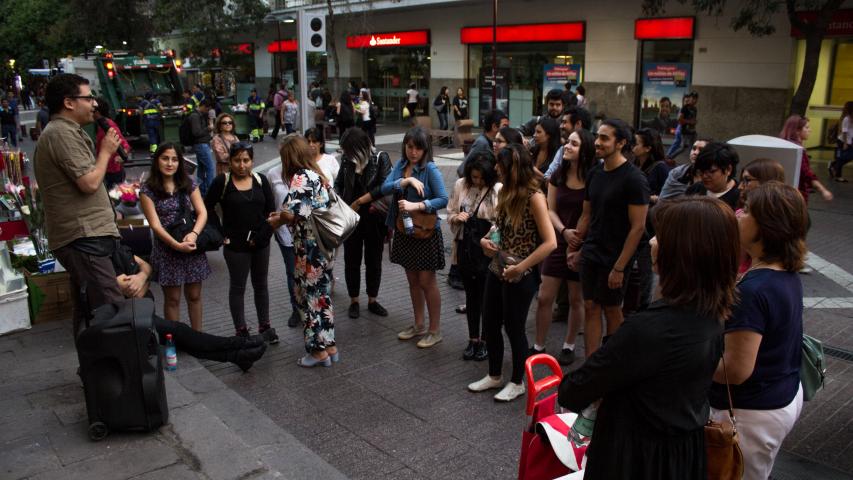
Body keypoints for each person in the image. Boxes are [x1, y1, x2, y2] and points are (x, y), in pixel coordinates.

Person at [559, 196, 739, 479]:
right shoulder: (711, 312)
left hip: (634, 458)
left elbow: (574, 389)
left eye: (661, 236)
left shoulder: (650, 329)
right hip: (682, 452)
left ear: (684, 252)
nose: (652, 242)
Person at [709, 182, 808, 480]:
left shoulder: (755, 290)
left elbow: (736, 370)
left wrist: (685, 359)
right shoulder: (783, 274)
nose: (739, 214)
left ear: (767, 226)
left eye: (748, 210)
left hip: (753, 412)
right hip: (780, 395)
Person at [33, 74, 124, 337]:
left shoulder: (67, 131)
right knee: (113, 308)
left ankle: (96, 371)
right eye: (88, 97)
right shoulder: (61, 133)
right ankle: (119, 371)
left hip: (85, 234)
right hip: (82, 236)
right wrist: (106, 152)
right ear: (69, 103)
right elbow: (88, 183)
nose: (94, 103)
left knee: (88, 308)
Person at [467, 144, 557, 402]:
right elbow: (499, 225)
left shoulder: (535, 197)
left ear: (513, 168)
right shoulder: (506, 191)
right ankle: (494, 375)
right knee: (491, 322)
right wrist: (486, 239)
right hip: (498, 266)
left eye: (500, 165)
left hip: (521, 273)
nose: (495, 168)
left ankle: (517, 381)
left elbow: (551, 242)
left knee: (514, 328)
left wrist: (523, 266)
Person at [111, 246, 267, 371]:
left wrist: (142, 276)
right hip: (135, 320)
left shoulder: (116, 246)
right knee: (181, 332)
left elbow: (146, 267)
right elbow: (136, 293)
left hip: (144, 313)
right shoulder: (103, 260)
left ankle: (238, 355)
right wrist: (143, 279)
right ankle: (238, 345)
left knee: (185, 338)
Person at [568, 119, 650, 357]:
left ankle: (614, 362)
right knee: (591, 306)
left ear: (621, 143)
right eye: (598, 137)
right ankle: (593, 363)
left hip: (616, 257)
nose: (598, 142)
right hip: (592, 252)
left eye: (605, 138)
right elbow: (586, 215)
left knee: (613, 309)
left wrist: (620, 267)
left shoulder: (634, 179)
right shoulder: (595, 172)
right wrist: (575, 246)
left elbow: (637, 228)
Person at [269, 134, 339, 367]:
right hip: (324, 247)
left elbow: (294, 213)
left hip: (308, 249)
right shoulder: (318, 174)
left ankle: (317, 351)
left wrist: (278, 219)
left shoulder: (300, 177)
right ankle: (330, 346)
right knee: (323, 297)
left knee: (307, 298)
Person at [381, 127, 449, 348]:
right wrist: (405, 182)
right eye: (410, 147)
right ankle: (419, 325)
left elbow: (443, 199)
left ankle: (435, 330)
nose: (413, 152)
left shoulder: (429, 169)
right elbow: (384, 187)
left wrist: (418, 205)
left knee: (427, 282)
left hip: (425, 231)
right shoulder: (401, 166)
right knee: (412, 280)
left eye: (418, 148)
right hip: (405, 229)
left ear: (425, 149)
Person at [533, 129, 596, 366]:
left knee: (576, 299)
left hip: (581, 245)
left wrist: (578, 241)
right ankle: (538, 345)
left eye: (574, 143)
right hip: (558, 241)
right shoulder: (559, 174)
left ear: (585, 149)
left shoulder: (594, 177)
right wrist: (563, 231)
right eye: (567, 142)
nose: (567, 146)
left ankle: (569, 345)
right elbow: (550, 209)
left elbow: (594, 215)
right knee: (544, 296)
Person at [205, 142, 277, 342]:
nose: (242, 165)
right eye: (237, 160)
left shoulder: (260, 180)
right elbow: (206, 208)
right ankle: (241, 330)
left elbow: (271, 213)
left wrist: (262, 236)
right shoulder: (222, 182)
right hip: (235, 247)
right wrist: (220, 235)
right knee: (238, 287)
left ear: (252, 161)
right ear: (230, 161)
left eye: (246, 160)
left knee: (261, 285)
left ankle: (265, 326)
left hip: (260, 244)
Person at [139, 143, 211, 331]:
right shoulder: (148, 190)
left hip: (191, 245)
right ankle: (177, 341)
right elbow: (155, 225)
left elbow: (202, 212)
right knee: (172, 299)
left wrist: (194, 235)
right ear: (157, 161)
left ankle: (198, 338)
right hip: (167, 249)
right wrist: (176, 245)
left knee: (194, 296)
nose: (170, 163)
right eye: (165, 158)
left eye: (174, 159)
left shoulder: (188, 183)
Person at [447, 152, 501, 361]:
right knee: (471, 296)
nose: (477, 181)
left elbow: (502, 220)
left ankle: (486, 340)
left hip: (487, 249)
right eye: (474, 177)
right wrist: (456, 217)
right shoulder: (461, 185)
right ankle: (473, 339)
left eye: (480, 177)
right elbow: (450, 211)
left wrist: (490, 236)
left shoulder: (497, 189)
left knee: (487, 297)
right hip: (465, 247)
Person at [335, 127, 392, 319]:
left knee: (374, 260)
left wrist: (360, 201)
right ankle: (354, 300)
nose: (345, 153)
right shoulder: (347, 161)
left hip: (374, 217)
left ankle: (372, 300)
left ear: (359, 147)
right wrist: (339, 200)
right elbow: (339, 183)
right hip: (352, 217)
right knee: (351, 260)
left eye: (348, 150)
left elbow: (384, 187)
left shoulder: (380, 158)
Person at [623, 127, 668, 314]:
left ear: (648, 147)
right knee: (631, 269)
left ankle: (643, 309)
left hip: (649, 227)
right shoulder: (635, 165)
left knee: (645, 271)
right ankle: (630, 307)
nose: (633, 147)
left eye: (637, 143)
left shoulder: (660, 168)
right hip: (634, 223)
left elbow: (665, 197)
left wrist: (647, 198)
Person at [780, 115, 833, 203]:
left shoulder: (784, 147)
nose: (810, 130)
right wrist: (823, 190)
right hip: (797, 194)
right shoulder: (798, 151)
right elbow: (807, 173)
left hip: (784, 192)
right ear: (797, 130)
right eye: (807, 127)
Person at [685, 141, 741, 210]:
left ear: (728, 169)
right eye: (701, 171)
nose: (705, 176)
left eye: (711, 171)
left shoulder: (741, 197)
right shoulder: (694, 190)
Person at [542, 106, 593, 180]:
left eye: (564, 122)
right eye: (569, 142)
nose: (561, 126)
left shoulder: (596, 155)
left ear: (578, 124)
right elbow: (547, 176)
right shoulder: (563, 149)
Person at [457, 109, 508, 177]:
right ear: (494, 127)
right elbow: (461, 170)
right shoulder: (482, 143)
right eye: (505, 126)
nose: (507, 129)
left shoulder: (493, 142)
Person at [93, 97, 131, 189]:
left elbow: (125, 145)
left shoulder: (108, 125)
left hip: (113, 171)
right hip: (107, 169)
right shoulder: (101, 125)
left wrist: (121, 156)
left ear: (97, 113)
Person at [189, 99, 215, 196]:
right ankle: (210, 191)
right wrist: (208, 128)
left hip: (202, 144)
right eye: (207, 109)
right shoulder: (195, 116)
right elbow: (196, 132)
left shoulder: (199, 115)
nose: (208, 111)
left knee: (202, 168)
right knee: (210, 168)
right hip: (201, 144)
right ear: (203, 106)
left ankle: (202, 190)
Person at [666, 91, 699, 162]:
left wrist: (694, 122)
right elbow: (679, 120)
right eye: (692, 98)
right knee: (683, 147)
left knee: (694, 147)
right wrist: (690, 122)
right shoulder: (685, 108)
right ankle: (669, 157)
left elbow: (692, 119)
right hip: (685, 132)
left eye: (695, 98)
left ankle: (693, 162)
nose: (694, 100)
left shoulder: (694, 109)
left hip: (692, 132)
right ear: (690, 98)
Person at [830, 101, 853, 182]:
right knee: (841, 158)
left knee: (848, 157)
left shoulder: (851, 118)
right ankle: (838, 176)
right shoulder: (846, 118)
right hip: (843, 141)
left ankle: (833, 165)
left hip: (850, 141)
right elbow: (844, 132)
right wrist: (845, 143)